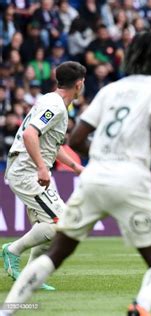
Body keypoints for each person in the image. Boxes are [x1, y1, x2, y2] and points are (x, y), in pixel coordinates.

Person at [1, 31, 151, 316]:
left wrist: (84, 162)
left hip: (94, 178)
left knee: (56, 248)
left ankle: (8, 309)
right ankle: (141, 307)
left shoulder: (109, 90)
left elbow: (73, 141)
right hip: (127, 179)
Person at [1, 61, 86, 291]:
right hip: (27, 171)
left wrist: (73, 166)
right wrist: (41, 167)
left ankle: (30, 278)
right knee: (59, 224)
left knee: (47, 227)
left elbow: (50, 143)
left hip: (32, 170)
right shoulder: (56, 106)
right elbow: (30, 134)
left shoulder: (53, 102)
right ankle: (12, 251)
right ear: (79, 84)